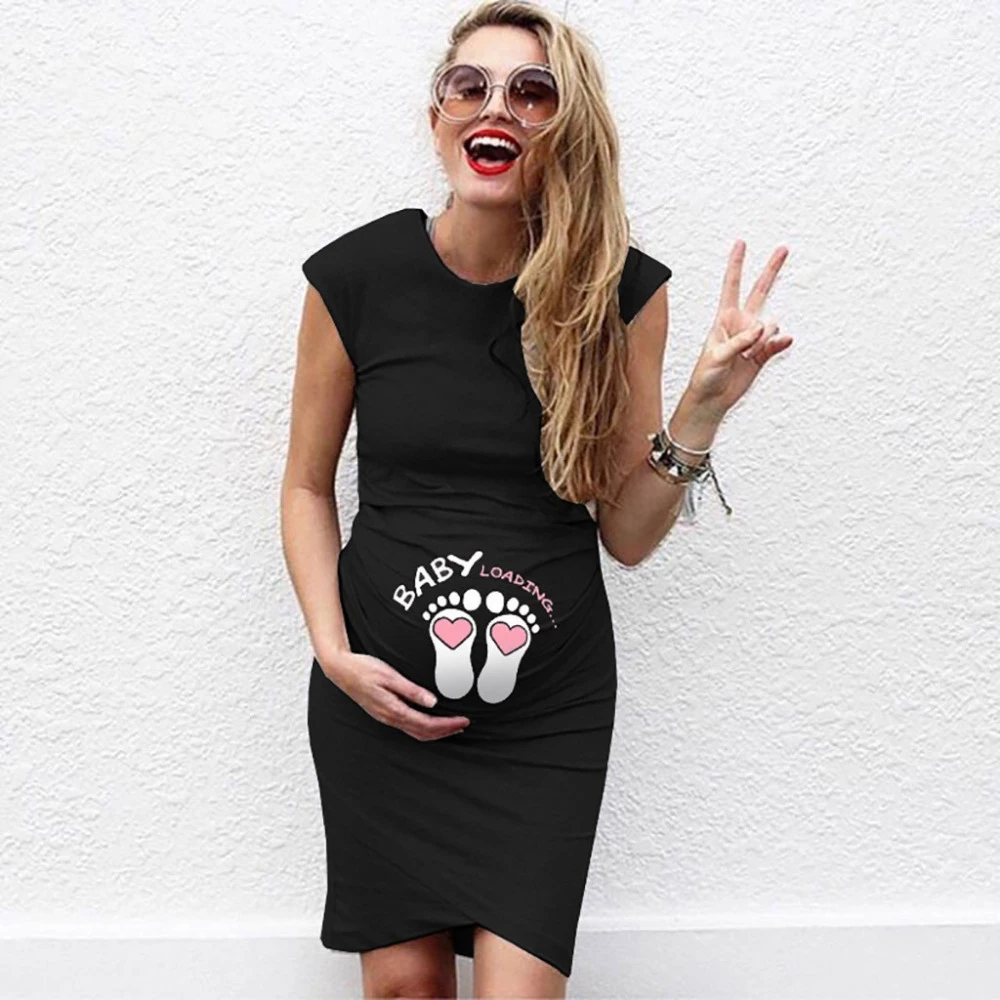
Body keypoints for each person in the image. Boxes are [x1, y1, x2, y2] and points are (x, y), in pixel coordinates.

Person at [281, 2, 791, 997]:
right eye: (469, 86)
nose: (496, 108)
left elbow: (627, 534)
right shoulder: (354, 278)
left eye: (532, 91)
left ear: (567, 125)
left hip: (545, 719)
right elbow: (305, 485)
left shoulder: (619, 293)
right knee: (402, 988)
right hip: (380, 701)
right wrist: (333, 653)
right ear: (437, 117)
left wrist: (702, 409)